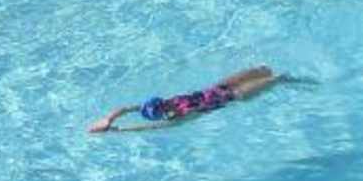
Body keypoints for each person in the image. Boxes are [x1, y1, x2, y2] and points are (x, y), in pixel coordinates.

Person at [89, 66, 285, 134]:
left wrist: (109, 121)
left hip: (224, 89)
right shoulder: (178, 116)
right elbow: (144, 122)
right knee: (273, 77)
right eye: (162, 105)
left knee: (266, 72)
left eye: (162, 103)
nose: (165, 103)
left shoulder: (173, 113)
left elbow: (128, 110)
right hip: (229, 94)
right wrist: (116, 127)